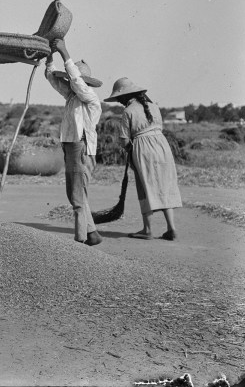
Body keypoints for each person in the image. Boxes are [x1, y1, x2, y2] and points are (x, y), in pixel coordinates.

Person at [104, 77, 182, 241]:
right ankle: (171, 228)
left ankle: (147, 230)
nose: (119, 102)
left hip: (143, 149)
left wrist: (130, 151)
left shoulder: (128, 111)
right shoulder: (154, 106)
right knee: (164, 185)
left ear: (125, 96)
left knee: (145, 186)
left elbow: (124, 139)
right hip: (162, 146)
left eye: (119, 98)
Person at [45, 38, 103, 246]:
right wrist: (49, 58)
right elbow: (53, 79)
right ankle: (92, 233)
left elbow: (77, 82)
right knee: (74, 194)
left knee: (78, 196)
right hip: (71, 146)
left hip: (81, 148)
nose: (69, 83)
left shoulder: (90, 98)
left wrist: (64, 53)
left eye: (72, 79)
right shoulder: (72, 97)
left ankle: (81, 239)